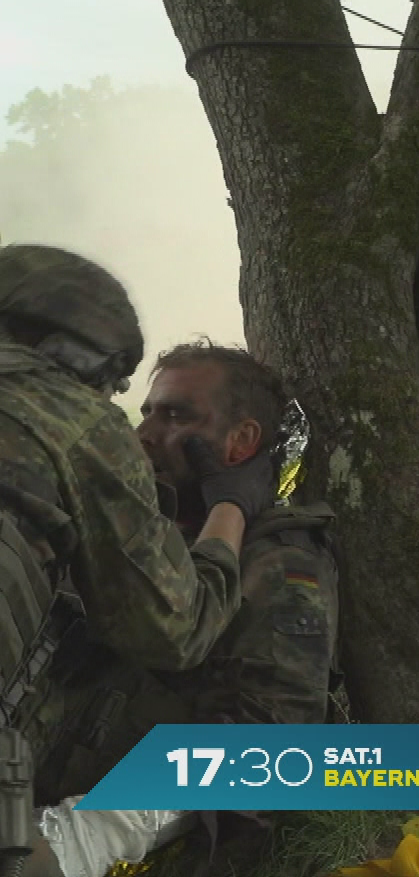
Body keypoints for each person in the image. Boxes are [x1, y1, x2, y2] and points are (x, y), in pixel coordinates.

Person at [0, 245, 276, 874]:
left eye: (174, 414)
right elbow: (179, 630)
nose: (142, 430)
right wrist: (230, 510)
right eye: (133, 400)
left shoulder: (286, 558)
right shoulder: (70, 420)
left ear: (242, 441)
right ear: (80, 355)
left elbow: (271, 747)